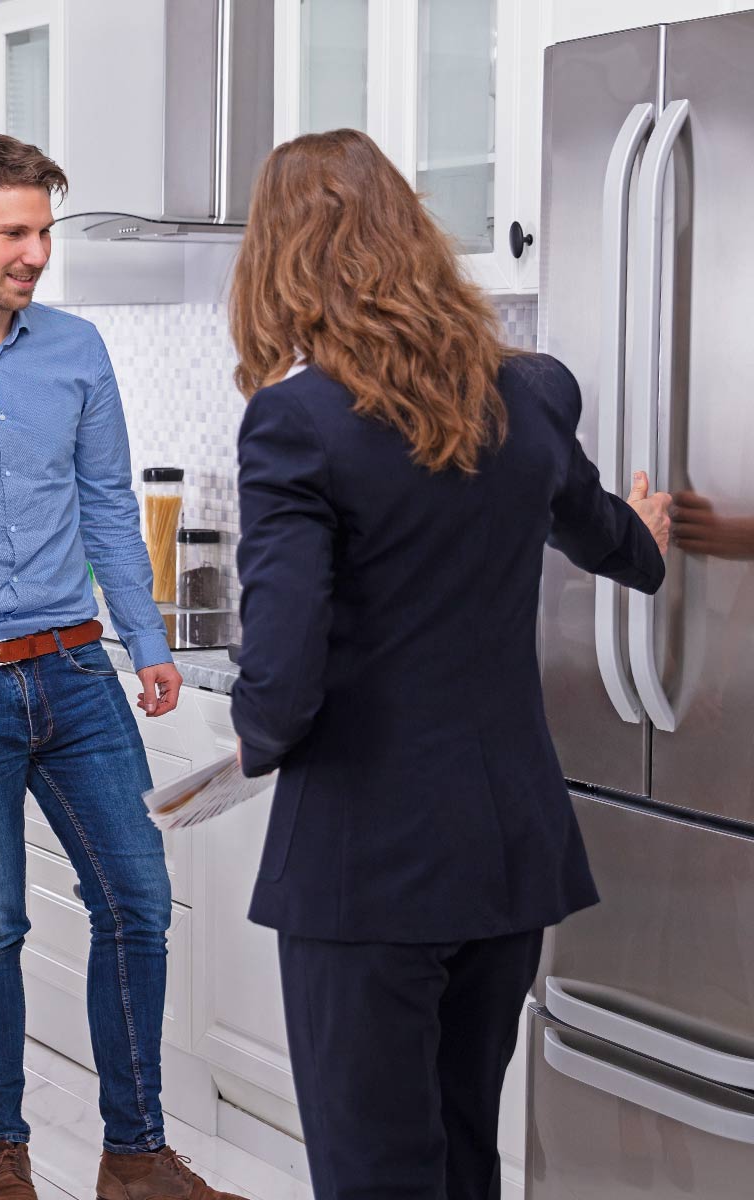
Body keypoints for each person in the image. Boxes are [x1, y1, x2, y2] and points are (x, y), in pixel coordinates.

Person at [227, 129, 672, 1200]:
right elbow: (619, 543)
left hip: (368, 868)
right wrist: (647, 531)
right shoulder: (526, 396)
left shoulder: (295, 423)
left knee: (377, 1173)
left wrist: (247, 740)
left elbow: (281, 685)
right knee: (466, 1154)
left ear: (282, 259)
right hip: (506, 854)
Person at [0, 135, 239, 1200]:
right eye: (15, 233)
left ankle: (136, 1153)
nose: (34, 254)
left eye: (44, 233)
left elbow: (108, 502)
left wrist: (148, 641)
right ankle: (3, 1157)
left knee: (138, 902)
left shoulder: (76, 348)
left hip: (75, 671)